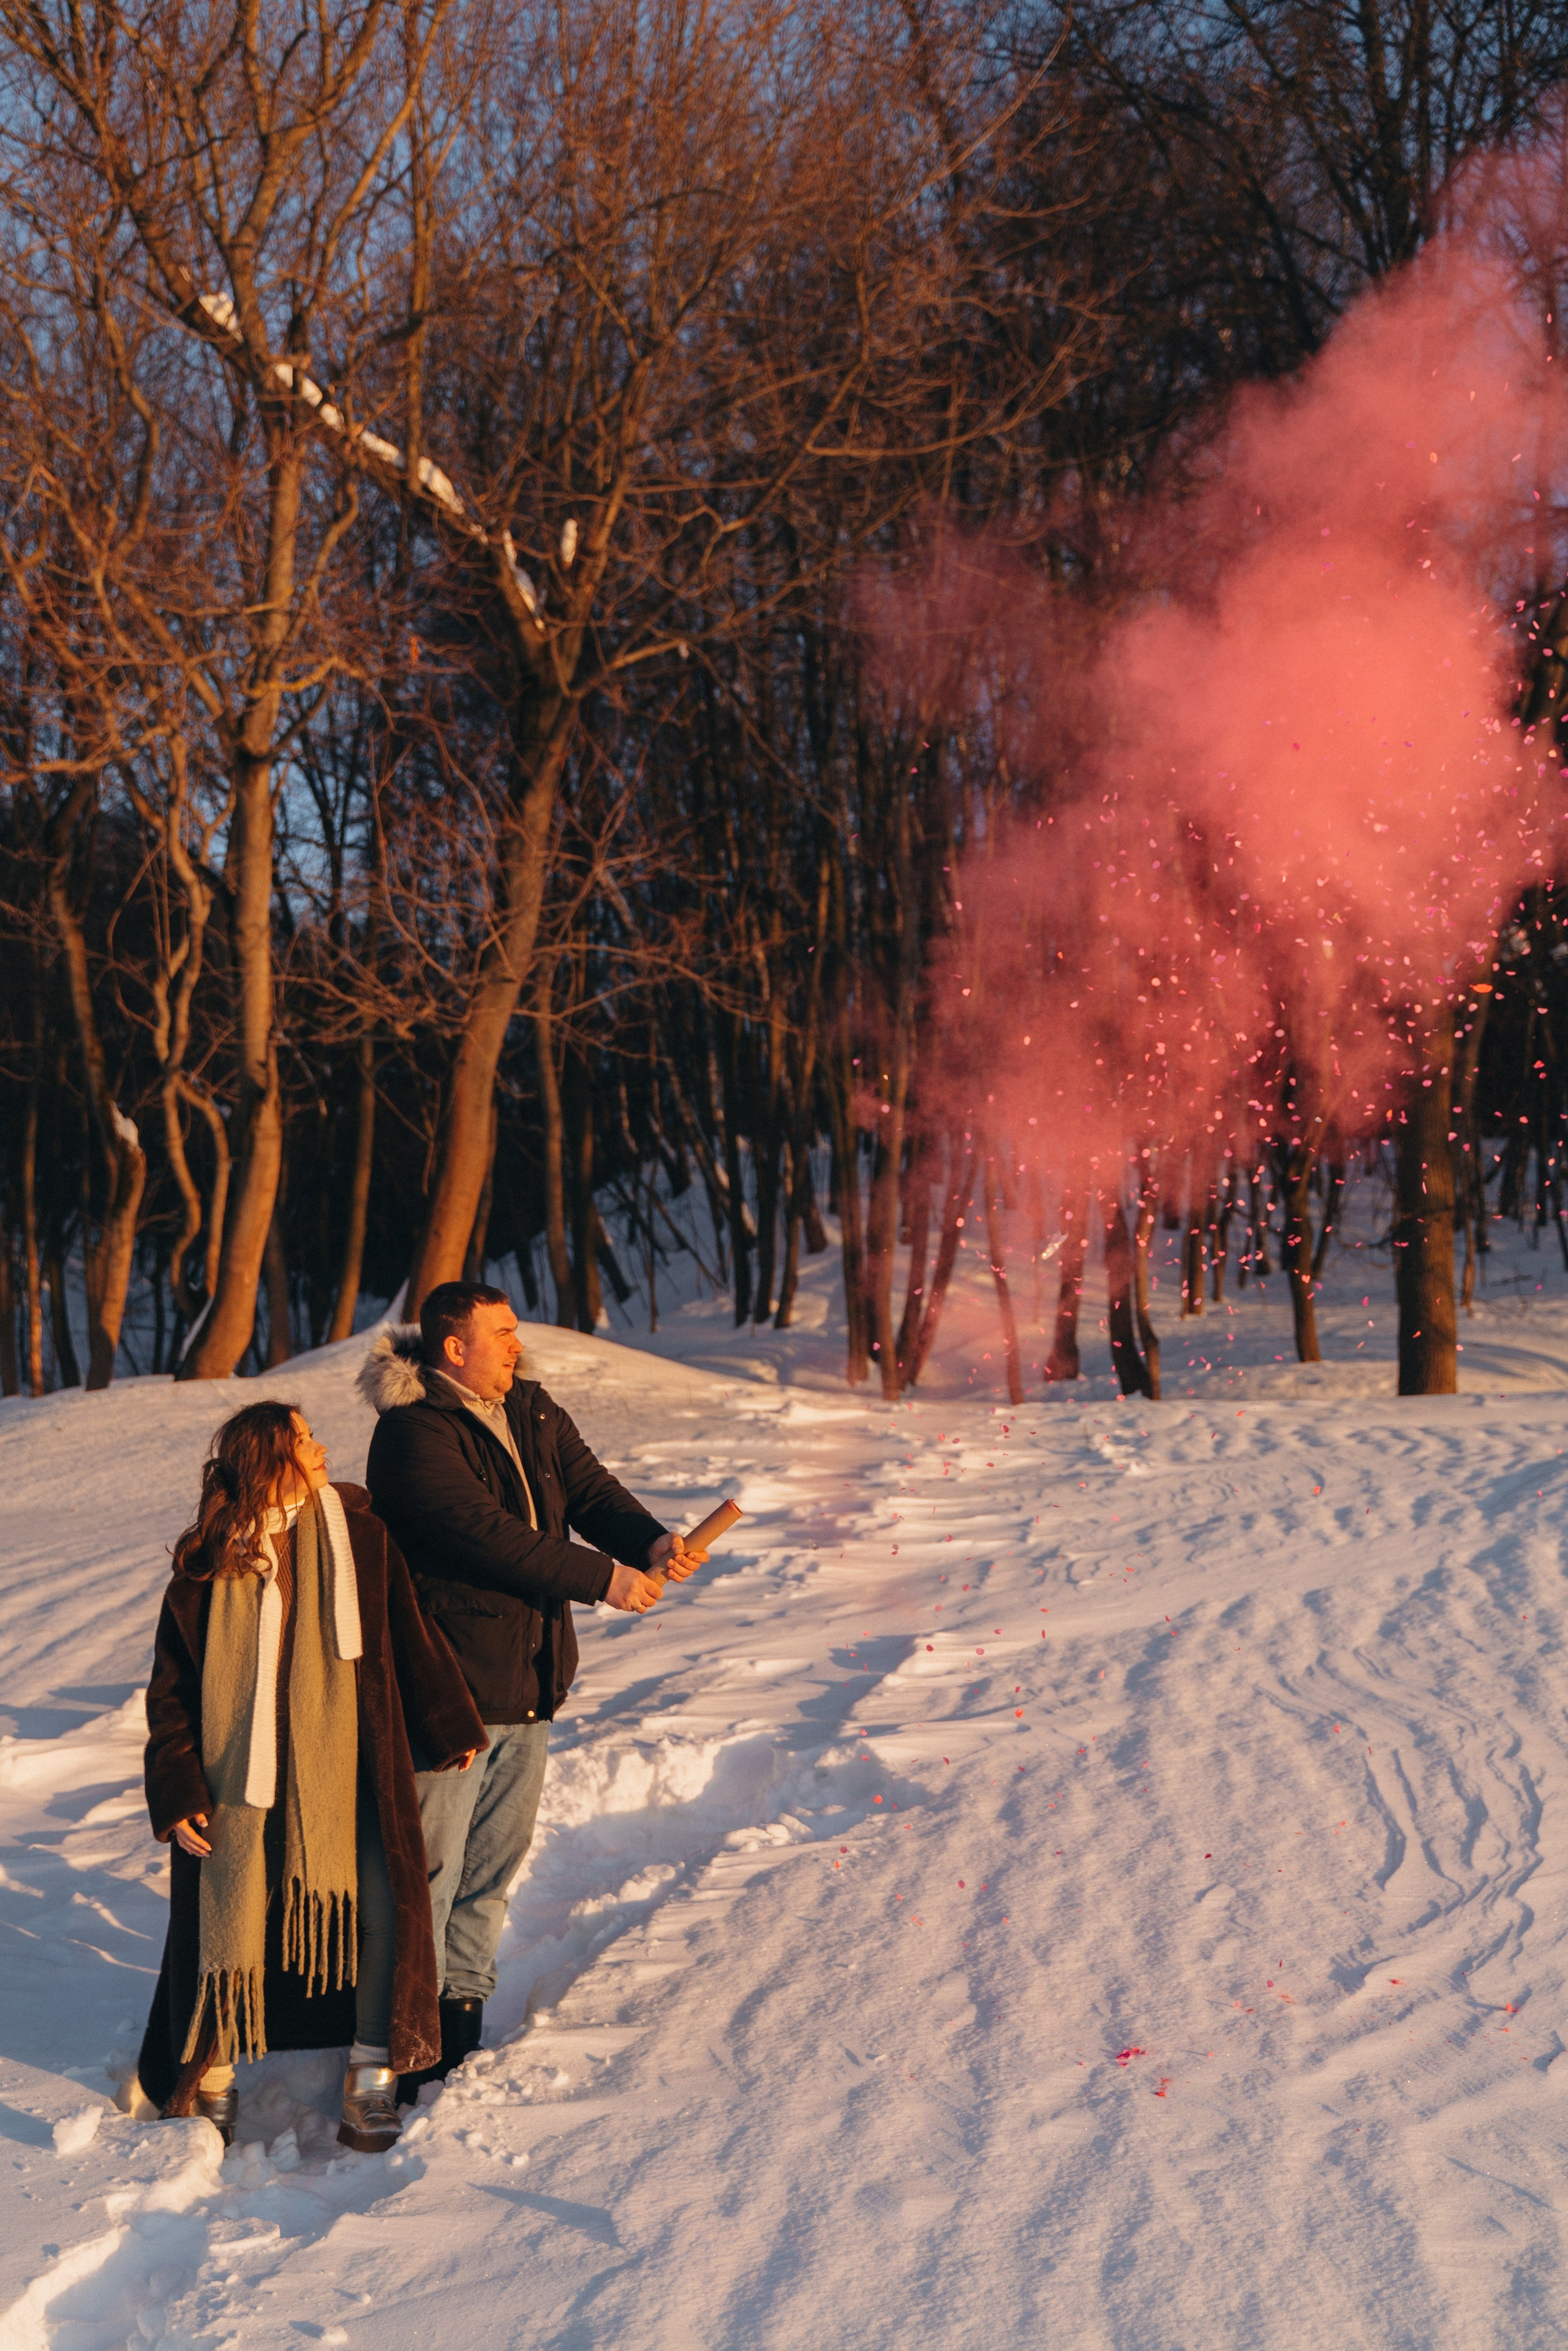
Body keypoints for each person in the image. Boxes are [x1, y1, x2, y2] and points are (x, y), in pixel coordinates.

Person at [360, 1281, 701, 2098]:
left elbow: (590, 1492)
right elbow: (487, 1535)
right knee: (430, 1878)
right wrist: (604, 1579)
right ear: (454, 1347)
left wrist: (649, 1538)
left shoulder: (534, 1409)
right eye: (504, 1333)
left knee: (490, 1875)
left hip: (530, 1682)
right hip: (447, 1692)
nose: (520, 1345)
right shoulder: (410, 1435)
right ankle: (402, 2056)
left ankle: (461, 2034)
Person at [127, 1402, 486, 2154]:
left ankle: (370, 2080)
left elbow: (408, 1637)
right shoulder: (206, 1561)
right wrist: (178, 1788)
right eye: (303, 1439)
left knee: (385, 1905)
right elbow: (172, 1693)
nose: (321, 1447)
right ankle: (214, 2079)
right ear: (268, 1459)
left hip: (349, 1772)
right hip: (239, 1785)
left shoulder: (360, 1536)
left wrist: (448, 1722)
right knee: (232, 1916)